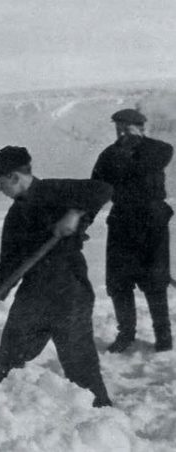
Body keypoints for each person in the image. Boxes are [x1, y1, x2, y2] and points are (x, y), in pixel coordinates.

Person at [0, 146, 113, 408]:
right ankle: (6, 407)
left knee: (79, 362)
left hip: (70, 288)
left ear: (15, 177)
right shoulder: (15, 215)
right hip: (34, 291)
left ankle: (102, 414)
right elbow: (9, 264)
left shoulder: (56, 190)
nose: (0, 189)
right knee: (9, 352)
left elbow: (103, 190)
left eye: (1, 182)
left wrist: (74, 214)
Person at [91, 108, 173, 353]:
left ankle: (164, 336)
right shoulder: (108, 155)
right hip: (122, 222)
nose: (122, 133)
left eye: (127, 128)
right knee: (118, 282)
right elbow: (96, 188)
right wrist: (82, 219)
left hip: (152, 222)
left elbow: (146, 167)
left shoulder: (160, 149)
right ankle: (126, 334)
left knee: (155, 281)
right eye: (118, 128)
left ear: (141, 128)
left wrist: (125, 157)